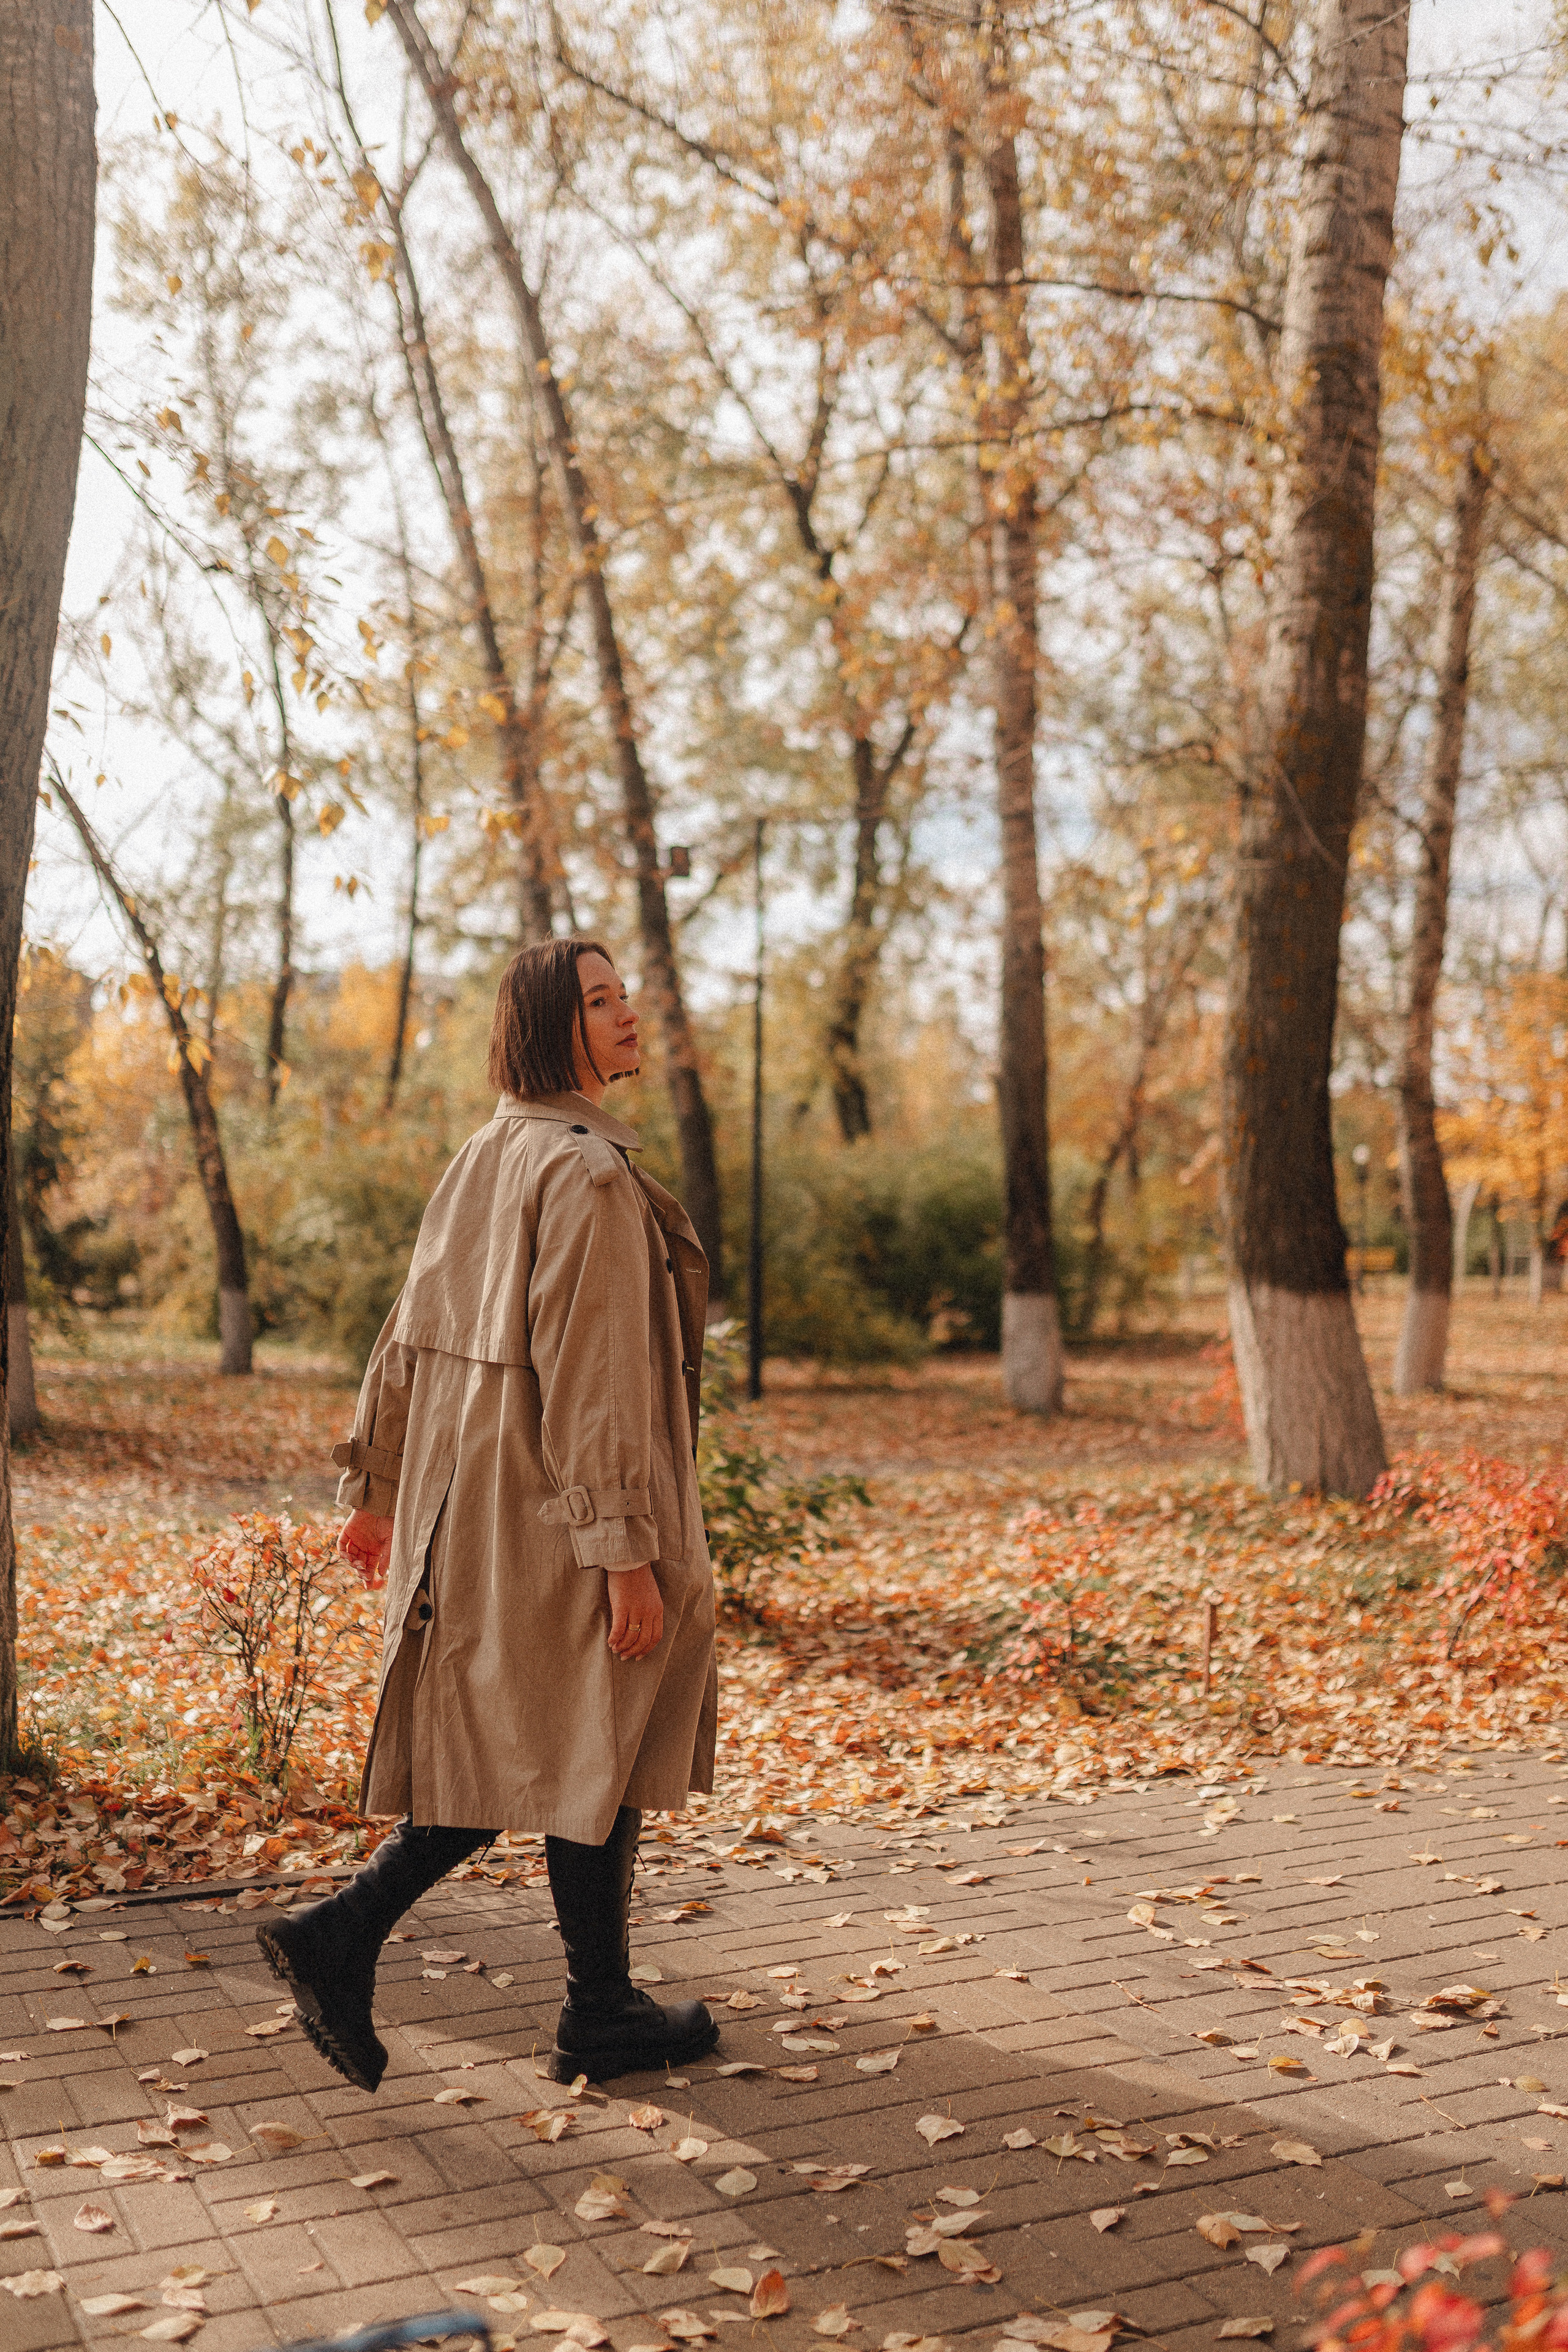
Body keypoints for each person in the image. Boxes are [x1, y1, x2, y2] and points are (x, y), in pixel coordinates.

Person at [256, 940, 720, 2092]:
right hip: (557, 1511)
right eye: (599, 1001)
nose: (626, 1016)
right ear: (553, 1025)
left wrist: (377, 1486)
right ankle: (344, 1933)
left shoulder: (486, 1153)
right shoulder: (586, 1174)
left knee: (578, 1743)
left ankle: (598, 2008)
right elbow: (596, 1380)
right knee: (575, 1738)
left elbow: (401, 1333)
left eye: (624, 997)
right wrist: (624, 1553)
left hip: (482, 1503)